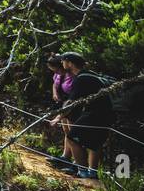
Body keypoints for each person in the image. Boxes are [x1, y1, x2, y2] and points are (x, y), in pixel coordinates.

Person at [49, 52, 114, 180]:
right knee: (94, 143)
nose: (62, 63)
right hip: (106, 113)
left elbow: (71, 103)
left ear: (70, 63)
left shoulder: (81, 79)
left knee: (72, 138)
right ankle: (92, 173)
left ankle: (82, 172)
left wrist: (57, 118)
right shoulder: (90, 75)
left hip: (95, 113)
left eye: (63, 61)